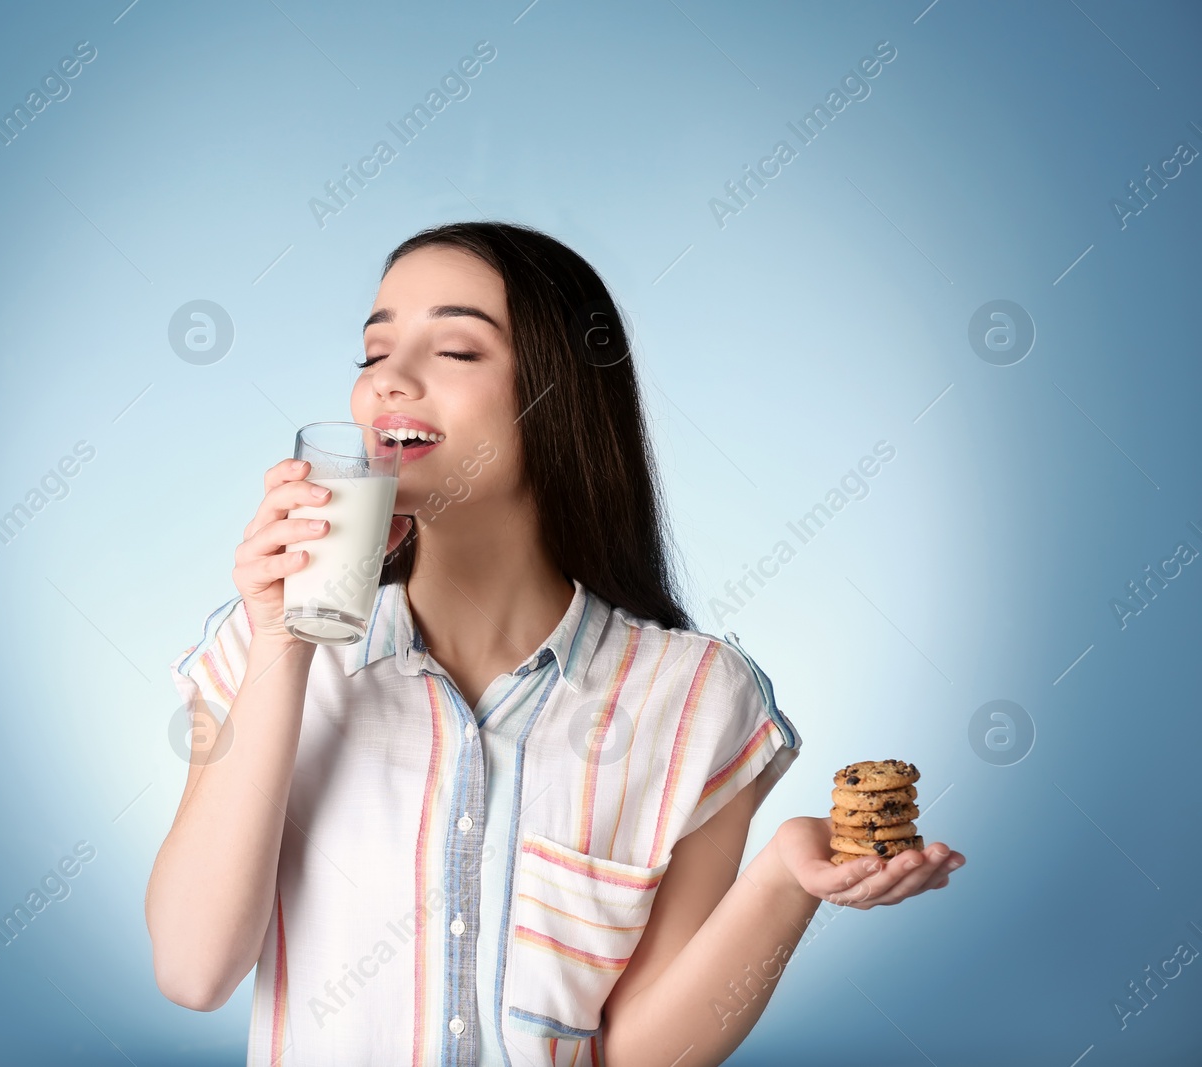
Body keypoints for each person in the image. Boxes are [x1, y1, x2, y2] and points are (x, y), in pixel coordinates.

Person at [146, 220, 964, 1066]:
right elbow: (193, 969)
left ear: (559, 393)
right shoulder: (266, 652)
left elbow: (640, 1054)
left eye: (456, 351)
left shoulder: (695, 700)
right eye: (372, 352)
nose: (389, 378)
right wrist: (286, 633)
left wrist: (787, 880)